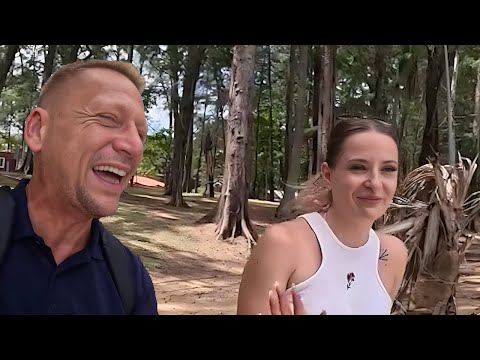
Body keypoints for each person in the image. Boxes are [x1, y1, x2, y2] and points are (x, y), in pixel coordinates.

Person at [0, 60, 158, 315]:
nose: (134, 146)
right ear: (38, 130)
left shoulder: (131, 281)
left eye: (140, 134)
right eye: (107, 118)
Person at [236, 117, 408, 315]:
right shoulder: (284, 244)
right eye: (358, 167)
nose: (375, 183)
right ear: (328, 174)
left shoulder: (393, 255)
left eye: (388, 169)